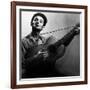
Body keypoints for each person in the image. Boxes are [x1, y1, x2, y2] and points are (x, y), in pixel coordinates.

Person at [21, 13, 80, 78]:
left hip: (49, 71)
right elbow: (22, 64)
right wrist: (36, 56)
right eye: (36, 20)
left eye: (41, 21)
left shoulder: (46, 40)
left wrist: (73, 33)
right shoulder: (23, 41)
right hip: (33, 75)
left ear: (43, 27)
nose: (38, 22)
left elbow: (63, 45)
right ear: (31, 23)